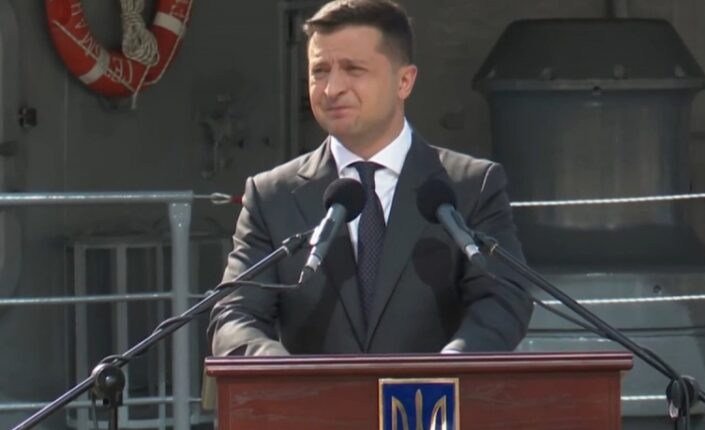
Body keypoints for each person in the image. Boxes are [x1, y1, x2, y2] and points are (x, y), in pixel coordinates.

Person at [208, 0, 532, 356]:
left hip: (436, 391)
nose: (332, 89)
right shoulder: (272, 196)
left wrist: (449, 368)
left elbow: (504, 298)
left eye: (353, 69)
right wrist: (279, 371)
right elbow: (235, 315)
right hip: (309, 392)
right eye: (319, 71)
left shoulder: (471, 185)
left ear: (404, 81)